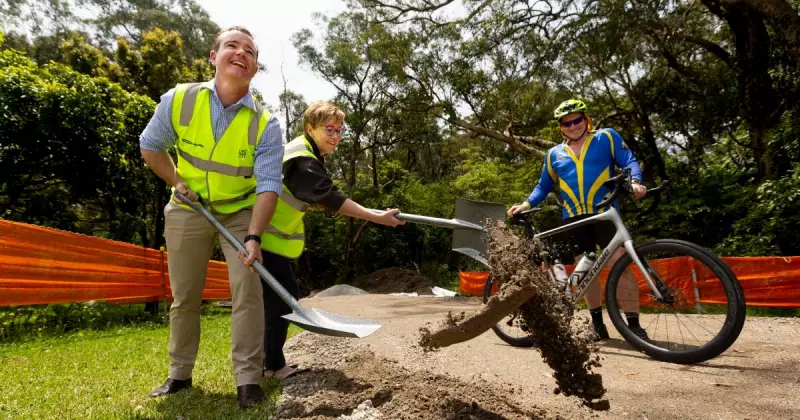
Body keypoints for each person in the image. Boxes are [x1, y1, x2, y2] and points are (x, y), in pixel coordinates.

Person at [139, 25, 284, 408]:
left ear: (255, 68)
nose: (241, 53)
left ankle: (248, 381)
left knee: (247, 292)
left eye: (250, 51)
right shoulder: (180, 100)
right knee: (185, 296)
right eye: (232, 46)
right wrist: (176, 180)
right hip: (188, 209)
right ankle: (179, 374)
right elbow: (150, 147)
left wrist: (254, 236)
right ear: (213, 56)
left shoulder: (265, 123)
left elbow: (269, 184)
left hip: (238, 213)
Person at [254, 102, 405, 380]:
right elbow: (332, 198)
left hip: (268, 238)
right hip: (261, 237)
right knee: (282, 301)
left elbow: (316, 195)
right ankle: (270, 366)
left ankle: (270, 364)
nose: (335, 136)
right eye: (329, 129)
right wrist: (377, 216)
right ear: (310, 128)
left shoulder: (307, 154)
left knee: (281, 301)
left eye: (339, 130)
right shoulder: (302, 158)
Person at [507, 99, 650, 342]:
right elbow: (543, 186)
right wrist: (526, 204)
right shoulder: (554, 154)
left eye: (577, 120)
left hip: (605, 212)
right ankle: (597, 326)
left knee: (620, 265)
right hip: (574, 218)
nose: (573, 126)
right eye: (567, 122)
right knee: (587, 273)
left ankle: (634, 327)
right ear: (561, 127)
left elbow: (629, 162)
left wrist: (635, 182)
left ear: (586, 119)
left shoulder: (606, 138)